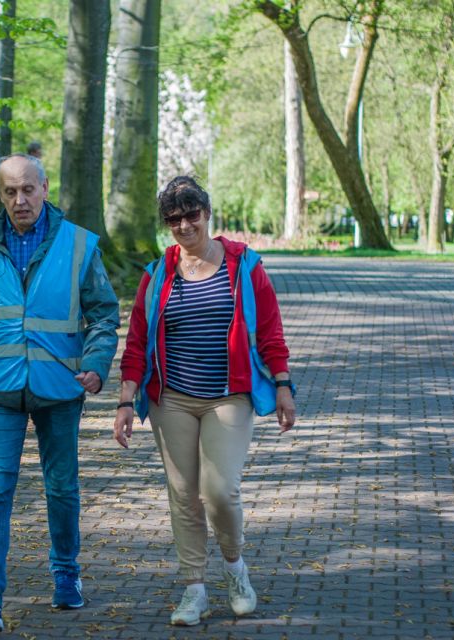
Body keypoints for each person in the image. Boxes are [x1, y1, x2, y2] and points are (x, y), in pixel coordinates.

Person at [0, 153, 119, 632]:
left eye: (27, 189)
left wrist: (97, 367)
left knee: (61, 487)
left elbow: (104, 315)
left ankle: (67, 576)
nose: (19, 200)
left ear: (45, 188)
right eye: (9, 192)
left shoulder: (80, 244)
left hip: (60, 387)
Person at [112, 175, 295, 626]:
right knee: (182, 494)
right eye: (173, 219)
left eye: (191, 215)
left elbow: (269, 331)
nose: (183, 225)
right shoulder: (157, 274)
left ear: (207, 214)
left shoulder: (244, 266)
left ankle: (235, 568)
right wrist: (125, 400)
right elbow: (137, 340)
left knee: (219, 490)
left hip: (229, 396)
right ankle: (194, 588)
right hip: (171, 398)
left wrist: (285, 385)